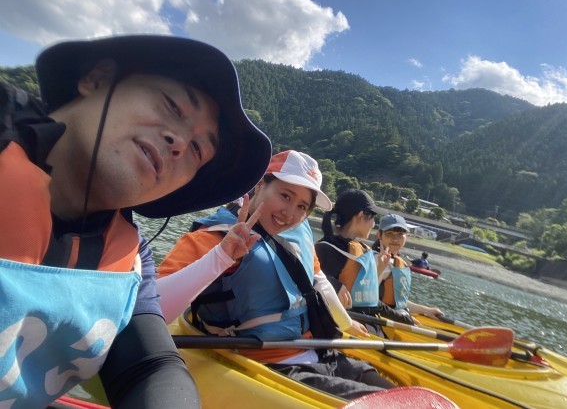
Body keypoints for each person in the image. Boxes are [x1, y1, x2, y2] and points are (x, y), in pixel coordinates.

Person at [0, 35, 272, 408]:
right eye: (172, 105)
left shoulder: (130, 260)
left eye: (197, 149)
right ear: (96, 79)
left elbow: (150, 366)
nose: (178, 142)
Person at [157, 150, 395, 400]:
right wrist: (221, 257)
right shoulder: (215, 237)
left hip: (323, 353)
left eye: (302, 206)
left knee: (405, 398)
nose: (289, 213)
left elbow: (319, 280)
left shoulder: (298, 234)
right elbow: (151, 310)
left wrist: (346, 323)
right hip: (276, 366)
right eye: (285, 195)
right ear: (260, 185)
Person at [314, 189, 406, 333]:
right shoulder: (327, 249)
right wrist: (333, 284)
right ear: (361, 216)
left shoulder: (362, 250)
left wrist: (404, 318)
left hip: (368, 328)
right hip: (345, 332)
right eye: (373, 218)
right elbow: (309, 283)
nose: (374, 224)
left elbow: (368, 299)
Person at [374, 215, 443, 320]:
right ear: (379, 235)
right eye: (389, 234)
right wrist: (402, 318)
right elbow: (368, 296)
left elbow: (399, 301)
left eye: (400, 234)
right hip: (377, 318)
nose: (395, 239)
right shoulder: (375, 259)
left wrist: (425, 310)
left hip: (392, 315)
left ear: (407, 236)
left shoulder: (396, 261)